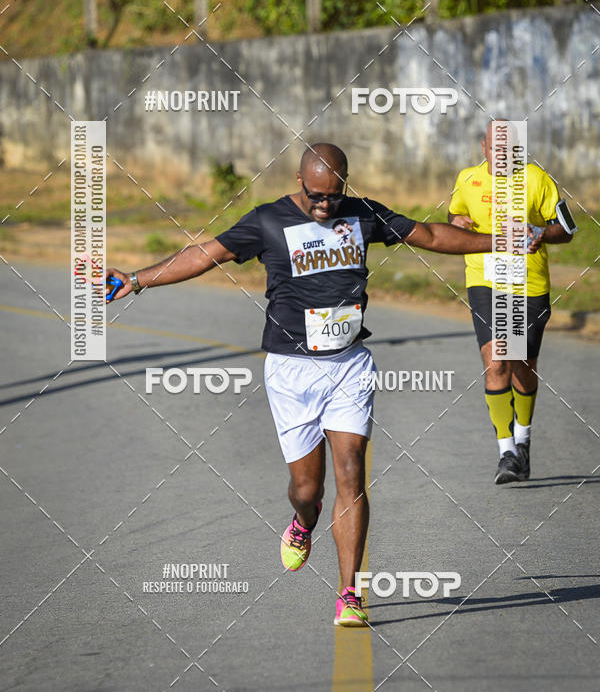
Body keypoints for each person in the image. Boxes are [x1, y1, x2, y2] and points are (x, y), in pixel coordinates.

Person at [107, 142, 496, 627]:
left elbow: (433, 235)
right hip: (291, 372)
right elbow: (205, 255)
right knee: (306, 487)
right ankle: (303, 521)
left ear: (345, 188)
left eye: (332, 197)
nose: (323, 206)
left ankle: (350, 593)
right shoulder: (268, 221)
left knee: (351, 470)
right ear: (299, 181)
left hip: (350, 364)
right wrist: (138, 280)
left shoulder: (362, 215)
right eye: (315, 196)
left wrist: (503, 242)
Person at [448, 122, 574, 485]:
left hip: (527, 281)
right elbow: (455, 217)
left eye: (510, 151)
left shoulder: (537, 179)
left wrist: (541, 232)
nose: (501, 157)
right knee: (497, 359)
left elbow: (567, 228)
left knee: (522, 364)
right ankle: (506, 451)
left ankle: (523, 440)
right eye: (495, 149)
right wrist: (455, 220)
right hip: (485, 279)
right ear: (483, 147)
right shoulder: (467, 179)